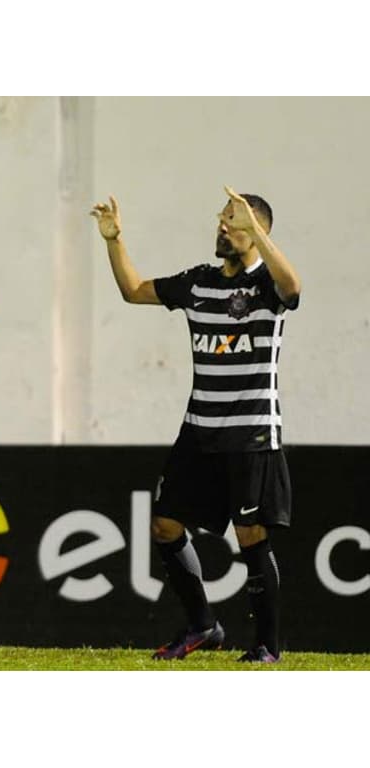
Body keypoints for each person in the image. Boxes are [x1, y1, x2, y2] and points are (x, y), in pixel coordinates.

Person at [90, 187, 301, 663]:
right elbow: (133, 291)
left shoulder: (268, 283)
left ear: (257, 231)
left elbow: (294, 288)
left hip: (251, 430)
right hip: (199, 429)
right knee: (165, 525)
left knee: (251, 536)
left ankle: (267, 645)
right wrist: (113, 240)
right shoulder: (199, 282)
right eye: (221, 218)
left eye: (233, 219)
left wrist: (260, 234)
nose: (221, 226)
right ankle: (203, 623)